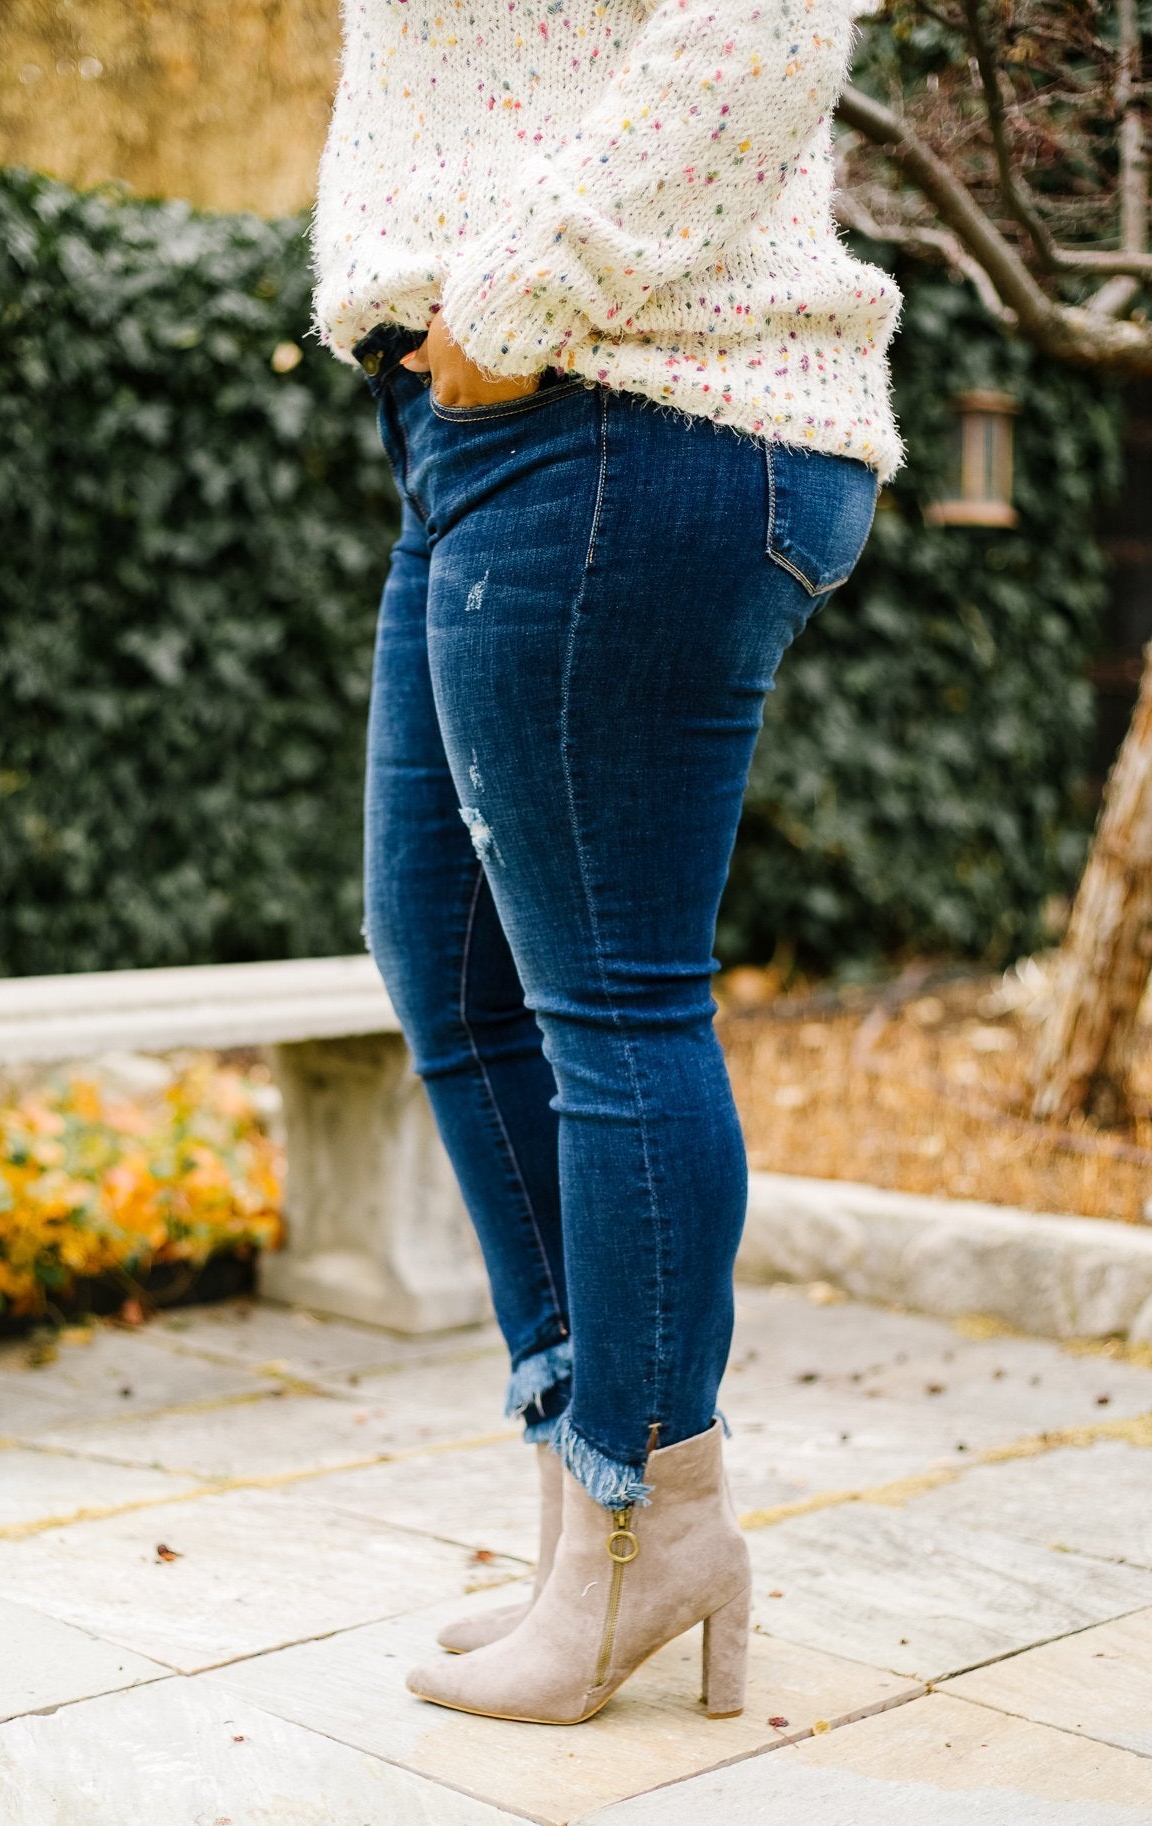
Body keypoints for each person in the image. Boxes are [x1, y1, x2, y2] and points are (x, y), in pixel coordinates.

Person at [311, 0, 901, 1726]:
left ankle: (650, 1526)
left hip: (628, 401)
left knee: (610, 1002)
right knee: (443, 957)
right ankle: (601, 1491)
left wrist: (510, 304)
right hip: (484, 424)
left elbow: (763, 25)